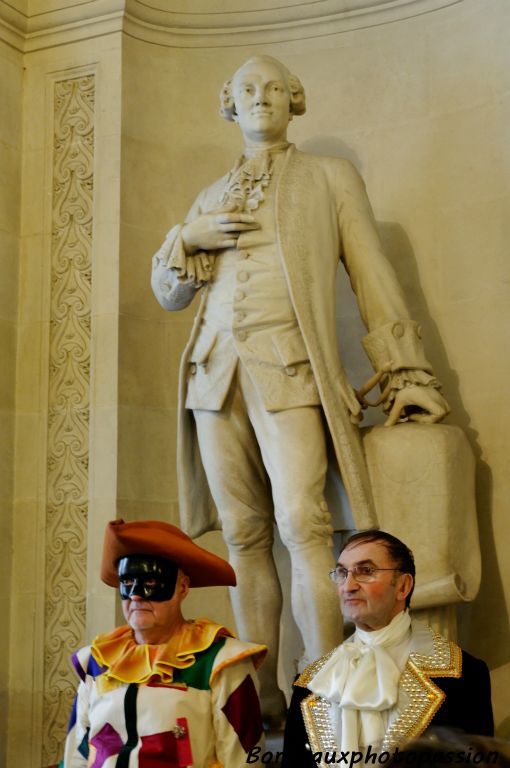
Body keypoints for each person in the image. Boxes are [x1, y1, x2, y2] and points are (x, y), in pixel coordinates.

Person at [151, 54, 449, 720]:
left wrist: (406, 373)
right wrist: (184, 238)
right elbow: (169, 295)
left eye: (273, 89)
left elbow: (373, 276)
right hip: (212, 377)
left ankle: (324, 692)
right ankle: (262, 702)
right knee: (242, 537)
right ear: (229, 102)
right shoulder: (207, 196)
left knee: (303, 526)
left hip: (290, 371)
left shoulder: (328, 178)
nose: (261, 98)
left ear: (296, 100)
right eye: (247, 90)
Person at [63, 519, 266, 767]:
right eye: (127, 583)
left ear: (182, 587)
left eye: (150, 583)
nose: (136, 594)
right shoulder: (95, 661)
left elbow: (244, 759)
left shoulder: (221, 662)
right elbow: (78, 752)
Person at [281, 530, 494, 766]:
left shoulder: (465, 676)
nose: (348, 586)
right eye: (342, 573)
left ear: (403, 586)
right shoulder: (310, 683)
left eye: (366, 571)